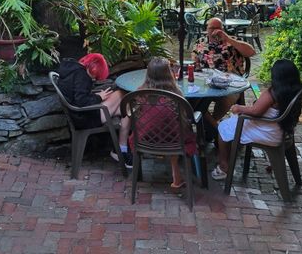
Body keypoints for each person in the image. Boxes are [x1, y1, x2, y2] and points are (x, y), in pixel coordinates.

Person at [210, 59, 302, 180]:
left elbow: (255, 111)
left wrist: (239, 108)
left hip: (268, 132)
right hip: (281, 130)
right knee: (230, 124)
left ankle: (224, 166)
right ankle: (273, 162)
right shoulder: (296, 90)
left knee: (223, 128)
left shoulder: (273, 94)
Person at [116, 57, 197, 186]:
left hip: (145, 139)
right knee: (178, 129)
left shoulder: (140, 93)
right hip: (174, 141)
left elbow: (129, 113)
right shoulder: (176, 94)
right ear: (169, 73)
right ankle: (177, 173)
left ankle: (143, 176)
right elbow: (184, 117)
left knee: (162, 126)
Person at [192, 17, 256, 128]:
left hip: (230, 83)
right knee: (193, 101)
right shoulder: (200, 42)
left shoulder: (232, 40)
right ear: (207, 29)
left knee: (226, 99)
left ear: (222, 29)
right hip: (206, 82)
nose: (215, 31)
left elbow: (251, 52)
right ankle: (213, 128)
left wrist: (227, 38)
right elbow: (194, 62)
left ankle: (212, 127)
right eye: (211, 28)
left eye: (218, 28)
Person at [57, 53, 125, 129]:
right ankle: (128, 137)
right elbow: (81, 101)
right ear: (94, 68)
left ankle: (126, 136)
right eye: (95, 76)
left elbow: (77, 95)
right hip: (85, 119)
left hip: (77, 116)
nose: (94, 79)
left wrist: (96, 96)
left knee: (124, 109)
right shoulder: (82, 76)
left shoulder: (72, 70)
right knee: (120, 93)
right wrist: (99, 97)